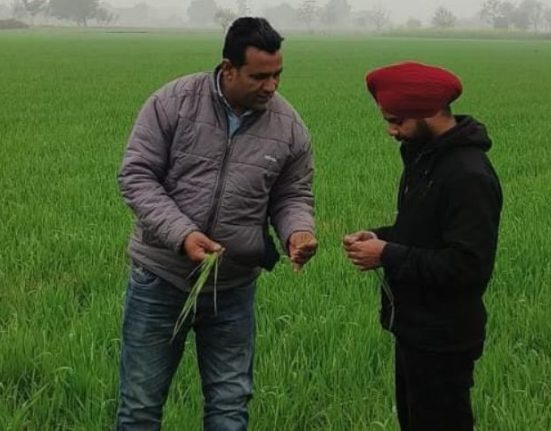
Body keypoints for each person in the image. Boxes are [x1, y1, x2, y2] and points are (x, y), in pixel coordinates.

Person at [116, 17, 317, 431]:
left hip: (233, 287)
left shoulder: (289, 126)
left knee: (230, 408)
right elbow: (136, 176)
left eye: (278, 75)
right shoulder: (173, 102)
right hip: (160, 279)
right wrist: (182, 234)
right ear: (228, 68)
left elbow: (291, 195)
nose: (271, 86)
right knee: (140, 407)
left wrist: (297, 231)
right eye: (259, 76)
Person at [343, 61, 502, 431]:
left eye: (397, 120)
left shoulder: (468, 175)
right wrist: (380, 236)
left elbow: (468, 265)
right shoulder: (424, 158)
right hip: (415, 330)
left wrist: (387, 253)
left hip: (444, 339)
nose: (391, 130)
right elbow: (423, 233)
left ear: (428, 112)